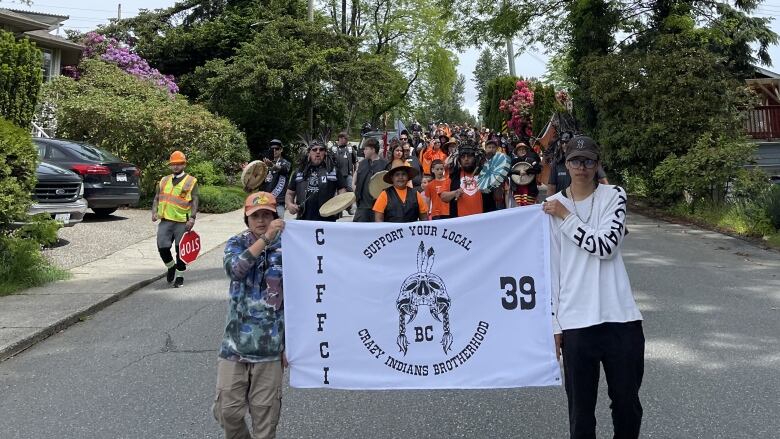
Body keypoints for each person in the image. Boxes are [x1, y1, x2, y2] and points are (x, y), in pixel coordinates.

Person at [542, 136, 644, 439]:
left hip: (621, 318)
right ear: (566, 164)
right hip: (576, 322)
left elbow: (607, 246)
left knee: (627, 406)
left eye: (588, 161)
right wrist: (555, 323)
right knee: (581, 412)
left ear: (597, 164)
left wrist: (566, 216)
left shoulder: (614, 195)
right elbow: (553, 269)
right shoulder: (552, 208)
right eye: (575, 160)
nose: (581, 167)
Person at [213, 191, 286, 439]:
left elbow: (300, 298)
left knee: (265, 420)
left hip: (270, 349)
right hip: (234, 347)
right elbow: (235, 269)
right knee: (227, 412)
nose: (261, 220)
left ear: (275, 216)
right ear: (247, 219)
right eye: (255, 216)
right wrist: (265, 239)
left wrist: (291, 345)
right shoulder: (236, 243)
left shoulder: (290, 247)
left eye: (267, 215)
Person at [151, 150, 199, 288]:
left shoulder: (191, 181)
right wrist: (154, 212)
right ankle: (171, 266)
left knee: (180, 250)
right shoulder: (164, 180)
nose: (176, 166)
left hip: (182, 222)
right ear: (170, 165)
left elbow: (195, 200)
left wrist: (192, 218)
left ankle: (179, 276)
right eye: (173, 164)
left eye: (179, 164)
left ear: (184, 165)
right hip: (165, 220)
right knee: (162, 246)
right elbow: (157, 198)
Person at [285, 140, 347, 221]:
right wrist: (290, 205)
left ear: (325, 152)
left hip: (327, 218)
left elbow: (342, 190)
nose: (318, 152)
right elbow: (289, 193)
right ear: (309, 152)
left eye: (321, 150)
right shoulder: (299, 172)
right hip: (303, 218)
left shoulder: (333, 171)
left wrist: (338, 205)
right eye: (314, 149)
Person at [441, 142, 493, 217]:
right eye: (463, 157)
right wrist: (455, 193)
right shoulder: (453, 176)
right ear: (459, 160)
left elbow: (497, 197)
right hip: (461, 222)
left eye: (469, 156)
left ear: (475, 158)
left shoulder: (485, 175)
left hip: (482, 220)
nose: (466, 159)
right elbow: (443, 197)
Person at [353, 138, 388, 222]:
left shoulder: (385, 164)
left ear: (373, 150)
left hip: (378, 207)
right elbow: (354, 181)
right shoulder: (362, 163)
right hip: (362, 207)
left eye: (366, 149)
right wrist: (355, 190)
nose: (363, 151)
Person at [262, 139, 291, 218]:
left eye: (277, 148)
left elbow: (283, 169)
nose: (274, 150)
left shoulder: (286, 163)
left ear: (281, 149)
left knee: (278, 226)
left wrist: (272, 166)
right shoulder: (265, 164)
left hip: (278, 202)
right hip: (265, 201)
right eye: (272, 149)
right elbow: (260, 181)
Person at [478, 139, 510, 210]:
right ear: (485, 149)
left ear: (496, 149)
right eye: (489, 147)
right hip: (484, 194)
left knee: (499, 213)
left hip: (498, 193)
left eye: (493, 147)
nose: (491, 149)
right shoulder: (480, 161)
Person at [509, 141, 542, 207]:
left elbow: (538, 169)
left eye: (523, 149)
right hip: (517, 189)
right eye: (520, 150)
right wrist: (518, 172)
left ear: (526, 151)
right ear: (517, 152)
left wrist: (527, 171)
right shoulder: (513, 161)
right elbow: (509, 172)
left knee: (529, 208)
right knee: (519, 208)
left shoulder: (531, 160)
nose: (522, 151)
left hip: (530, 189)